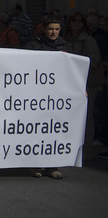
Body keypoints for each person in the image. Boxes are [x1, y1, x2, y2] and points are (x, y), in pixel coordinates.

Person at [25, 15, 69, 179]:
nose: (54, 32)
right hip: (36, 96)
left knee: (52, 130)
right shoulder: (34, 46)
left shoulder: (65, 46)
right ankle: (34, 165)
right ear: (44, 29)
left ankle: (52, 167)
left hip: (56, 97)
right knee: (35, 130)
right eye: (51, 29)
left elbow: (73, 71)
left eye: (57, 29)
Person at [64, 12, 103, 158]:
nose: (77, 23)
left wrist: (77, 63)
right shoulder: (66, 39)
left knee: (87, 114)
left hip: (88, 82)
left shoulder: (88, 40)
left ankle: (87, 146)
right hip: (73, 82)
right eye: (74, 21)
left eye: (80, 21)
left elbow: (94, 60)